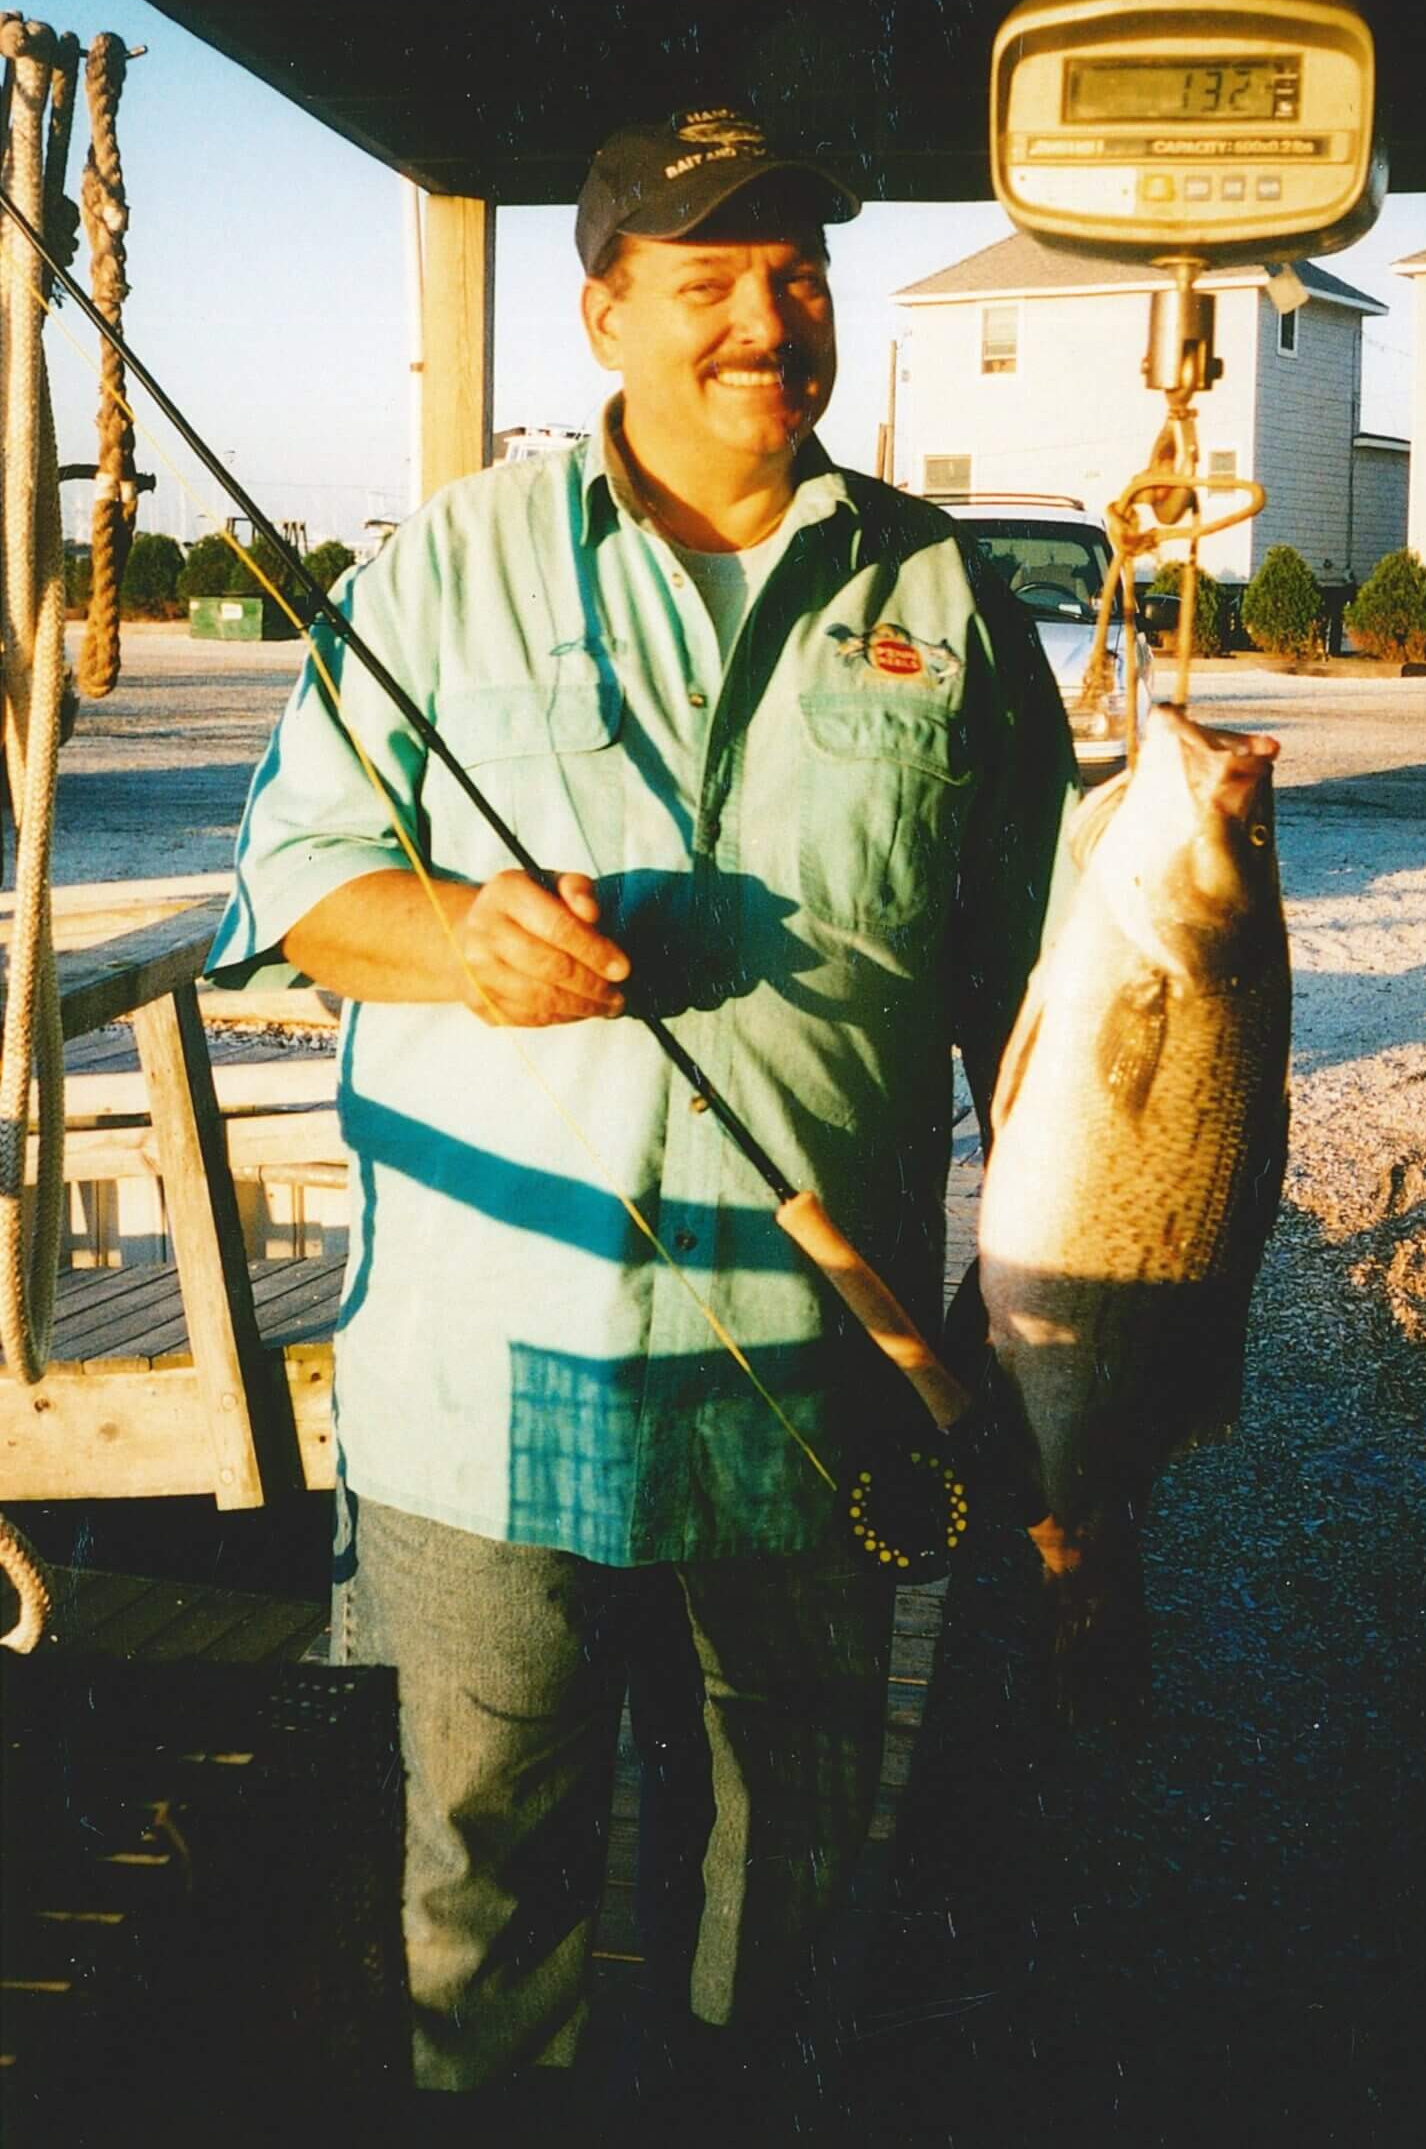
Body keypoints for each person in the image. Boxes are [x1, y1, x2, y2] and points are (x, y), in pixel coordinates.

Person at [206, 108, 1080, 2101]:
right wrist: (458, 938)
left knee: (770, 1897)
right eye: (707, 283)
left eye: (798, 276)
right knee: (479, 1889)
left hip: (814, 1392)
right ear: (603, 311)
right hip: (478, 1383)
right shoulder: (444, 563)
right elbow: (286, 891)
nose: (767, 321)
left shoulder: (945, 600)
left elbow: (1035, 1007)